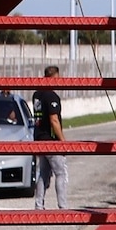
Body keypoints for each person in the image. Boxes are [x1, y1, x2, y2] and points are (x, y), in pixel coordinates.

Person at [32, 65, 69, 210]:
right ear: (52, 78)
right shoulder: (51, 96)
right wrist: (63, 141)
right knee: (61, 173)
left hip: (39, 138)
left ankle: (38, 205)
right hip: (50, 140)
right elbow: (54, 120)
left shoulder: (37, 94)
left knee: (43, 173)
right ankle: (63, 206)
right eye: (57, 79)